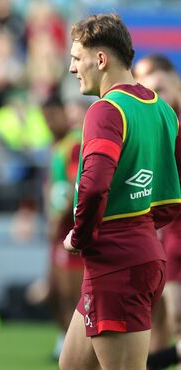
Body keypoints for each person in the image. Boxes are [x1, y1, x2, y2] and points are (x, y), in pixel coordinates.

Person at [60, 14, 181, 370]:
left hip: (116, 260)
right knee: (71, 366)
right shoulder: (163, 109)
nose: (70, 68)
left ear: (100, 59)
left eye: (75, 58)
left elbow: (94, 186)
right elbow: (171, 193)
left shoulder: (105, 110)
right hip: (142, 248)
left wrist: (80, 237)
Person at [134, 55, 181, 370]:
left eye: (160, 88)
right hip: (172, 240)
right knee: (174, 320)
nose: (156, 98)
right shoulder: (155, 130)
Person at [41, 95, 84, 360]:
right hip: (59, 227)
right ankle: (65, 340)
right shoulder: (57, 145)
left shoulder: (75, 143)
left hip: (70, 229)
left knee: (71, 293)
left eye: (52, 116)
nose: (48, 123)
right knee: (56, 291)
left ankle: (78, 347)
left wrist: (57, 222)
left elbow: (71, 187)